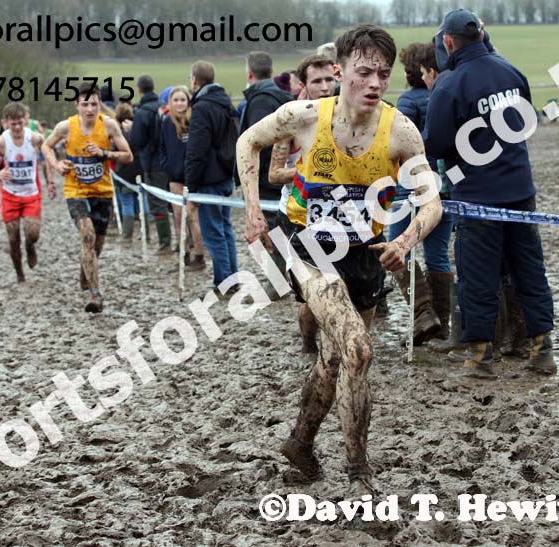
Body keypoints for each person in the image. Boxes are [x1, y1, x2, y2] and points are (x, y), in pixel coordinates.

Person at [237, 25, 442, 496]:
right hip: (309, 248)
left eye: (382, 75)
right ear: (339, 70)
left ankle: (300, 441)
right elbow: (248, 142)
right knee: (358, 348)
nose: (373, 83)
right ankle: (358, 470)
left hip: (364, 255)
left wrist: (405, 240)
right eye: (363, 72)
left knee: (333, 362)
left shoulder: (400, 131)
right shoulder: (305, 115)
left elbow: (432, 202)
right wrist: (254, 213)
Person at [425, 9, 556, 378]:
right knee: (529, 269)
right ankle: (542, 350)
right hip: (520, 192)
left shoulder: (449, 85)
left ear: (448, 42)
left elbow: (433, 144)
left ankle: (481, 356)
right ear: (483, 35)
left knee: (477, 275)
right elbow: (525, 122)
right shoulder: (512, 73)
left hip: (478, 198)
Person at [42, 82, 133, 312]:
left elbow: (128, 156)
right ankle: (95, 294)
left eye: (94, 104)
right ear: (77, 106)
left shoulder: (109, 126)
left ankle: (86, 271)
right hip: (76, 191)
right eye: (86, 105)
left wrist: (104, 153)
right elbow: (46, 146)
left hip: (102, 192)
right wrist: (56, 164)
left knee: (97, 244)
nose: (90, 109)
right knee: (87, 236)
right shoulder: (66, 127)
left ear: (100, 104)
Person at [389, 41, 458, 346]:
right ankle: (441, 327)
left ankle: (423, 314)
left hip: (410, 188)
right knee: (438, 254)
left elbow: (399, 143)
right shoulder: (447, 96)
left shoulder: (408, 101)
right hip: (448, 186)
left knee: (394, 249)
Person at [267, 53, 336, 354]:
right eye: (317, 81)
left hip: (338, 215)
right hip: (297, 215)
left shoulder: (344, 116)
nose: (324, 87)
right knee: (311, 294)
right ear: (303, 84)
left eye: (328, 80)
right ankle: (308, 342)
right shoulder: (291, 121)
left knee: (338, 284)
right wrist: (307, 172)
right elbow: (272, 173)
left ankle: (335, 345)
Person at [239, 51, 295, 298]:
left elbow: (257, 144)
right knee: (275, 230)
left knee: (271, 232)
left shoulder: (261, 100)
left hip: (267, 178)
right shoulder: (279, 96)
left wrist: (255, 181)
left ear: (249, 73)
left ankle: (278, 283)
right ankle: (281, 280)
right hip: (276, 174)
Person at [0, 102, 56, 282]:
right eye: (12, 123)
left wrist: (51, 182)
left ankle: (30, 246)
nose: (16, 127)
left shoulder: (36, 139)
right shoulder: (1, 142)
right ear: (6, 122)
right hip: (10, 194)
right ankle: (19, 273)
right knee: (13, 238)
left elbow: (49, 158)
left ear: (26, 121)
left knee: (33, 233)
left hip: (31, 193)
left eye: (20, 123)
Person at [185, 60, 240, 292]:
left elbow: (196, 150)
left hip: (209, 180)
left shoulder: (202, 107)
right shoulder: (226, 103)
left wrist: (192, 185)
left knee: (214, 233)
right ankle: (233, 278)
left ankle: (224, 282)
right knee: (225, 229)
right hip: (226, 175)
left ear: (195, 80)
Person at [160, 85, 206, 268]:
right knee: (179, 217)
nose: (179, 104)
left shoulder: (195, 120)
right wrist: (167, 166)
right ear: (171, 102)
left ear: (188, 102)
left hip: (192, 178)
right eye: (176, 100)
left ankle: (199, 253)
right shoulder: (166, 122)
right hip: (174, 177)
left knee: (193, 217)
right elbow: (162, 147)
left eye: (182, 100)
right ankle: (184, 251)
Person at [131, 74, 173, 253]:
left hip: (153, 163)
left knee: (157, 203)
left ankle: (165, 243)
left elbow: (136, 140)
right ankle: (185, 242)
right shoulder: (164, 108)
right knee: (175, 203)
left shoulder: (142, 113)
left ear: (140, 90)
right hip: (171, 162)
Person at [113, 102, 141, 243]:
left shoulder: (118, 132)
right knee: (142, 201)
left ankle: (127, 235)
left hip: (123, 172)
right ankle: (146, 233)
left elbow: (113, 150)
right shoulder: (137, 129)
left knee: (127, 203)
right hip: (139, 170)